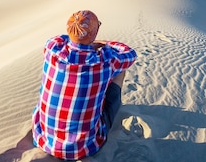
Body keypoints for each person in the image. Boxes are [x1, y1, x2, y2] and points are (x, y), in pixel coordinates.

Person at [32, 10, 137, 160]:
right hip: (86, 147)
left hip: (45, 141)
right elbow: (130, 53)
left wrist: (81, 41)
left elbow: (61, 39)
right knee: (119, 71)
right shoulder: (105, 62)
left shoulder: (51, 49)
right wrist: (101, 44)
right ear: (94, 33)